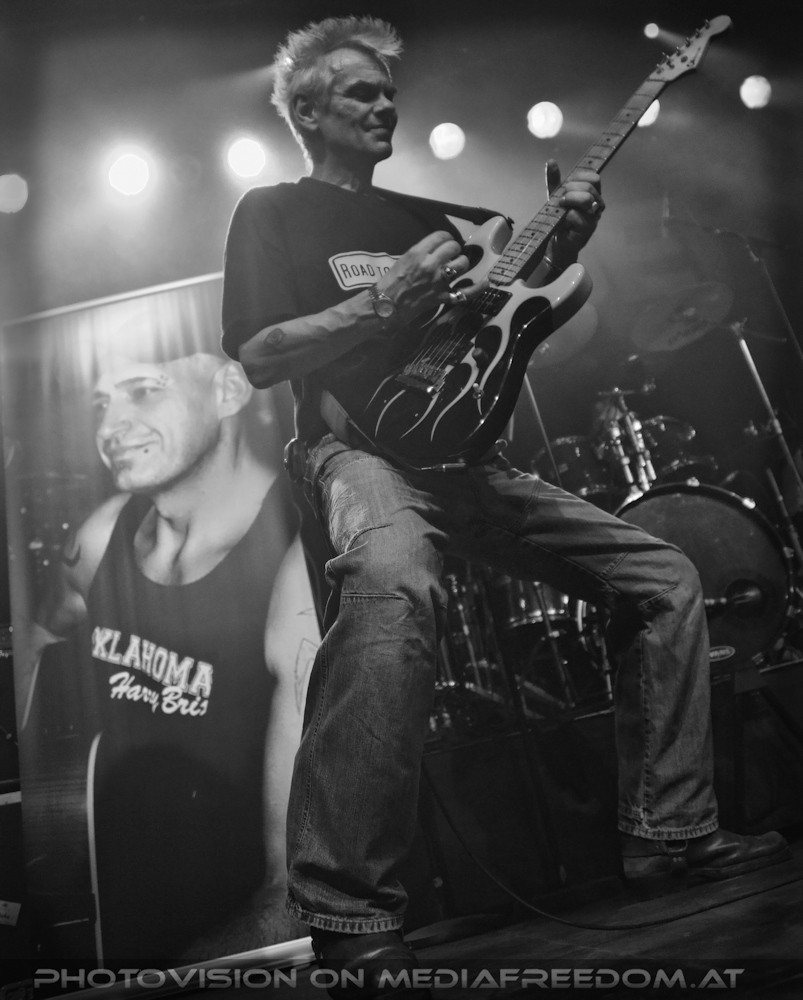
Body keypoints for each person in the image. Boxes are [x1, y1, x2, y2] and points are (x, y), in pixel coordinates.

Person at [221, 16, 790, 997]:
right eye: (360, 91)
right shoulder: (273, 212)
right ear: (306, 111)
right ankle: (349, 911)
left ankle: (669, 833)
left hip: (465, 461)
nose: (384, 104)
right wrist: (382, 301)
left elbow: (553, 331)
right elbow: (259, 354)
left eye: (389, 91)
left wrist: (567, 243)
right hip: (357, 452)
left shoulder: (442, 218)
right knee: (393, 582)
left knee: (662, 576)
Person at [17, 345, 319, 963]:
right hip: (105, 924)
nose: (109, 427)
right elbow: (37, 636)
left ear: (228, 391)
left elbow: (295, 894)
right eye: (101, 402)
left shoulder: (298, 569)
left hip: (234, 955)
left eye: (144, 389)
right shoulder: (102, 537)